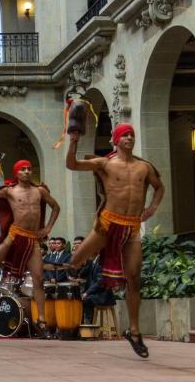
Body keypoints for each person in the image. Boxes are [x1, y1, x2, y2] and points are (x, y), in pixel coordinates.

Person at [66, 123, 164, 358]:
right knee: (76, 260)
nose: (129, 138)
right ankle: (83, 271)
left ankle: (134, 331)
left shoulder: (144, 167)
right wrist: (74, 141)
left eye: (131, 135)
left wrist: (152, 208)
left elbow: (159, 187)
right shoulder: (105, 163)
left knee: (134, 279)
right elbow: (72, 165)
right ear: (116, 140)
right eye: (125, 135)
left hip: (132, 226)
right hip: (108, 223)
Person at [0, 160, 60, 338]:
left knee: (39, 279)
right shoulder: (9, 191)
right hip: (14, 236)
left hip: (32, 239)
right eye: (23, 169)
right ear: (16, 173)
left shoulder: (40, 191)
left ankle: (41, 321)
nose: (27, 171)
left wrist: (48, 228)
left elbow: (56, 207)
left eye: (29, 169)